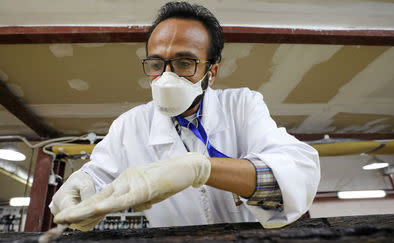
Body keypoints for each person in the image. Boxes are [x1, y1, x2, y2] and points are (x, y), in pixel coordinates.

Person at [49, 1, 320, 231]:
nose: (167, 77)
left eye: (184, 63)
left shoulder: (242, 105)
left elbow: (294, 173)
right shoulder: (130, 125)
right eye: (157, 64)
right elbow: (96, 180)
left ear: (211, 72)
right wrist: (79, 191)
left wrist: (200, 169)